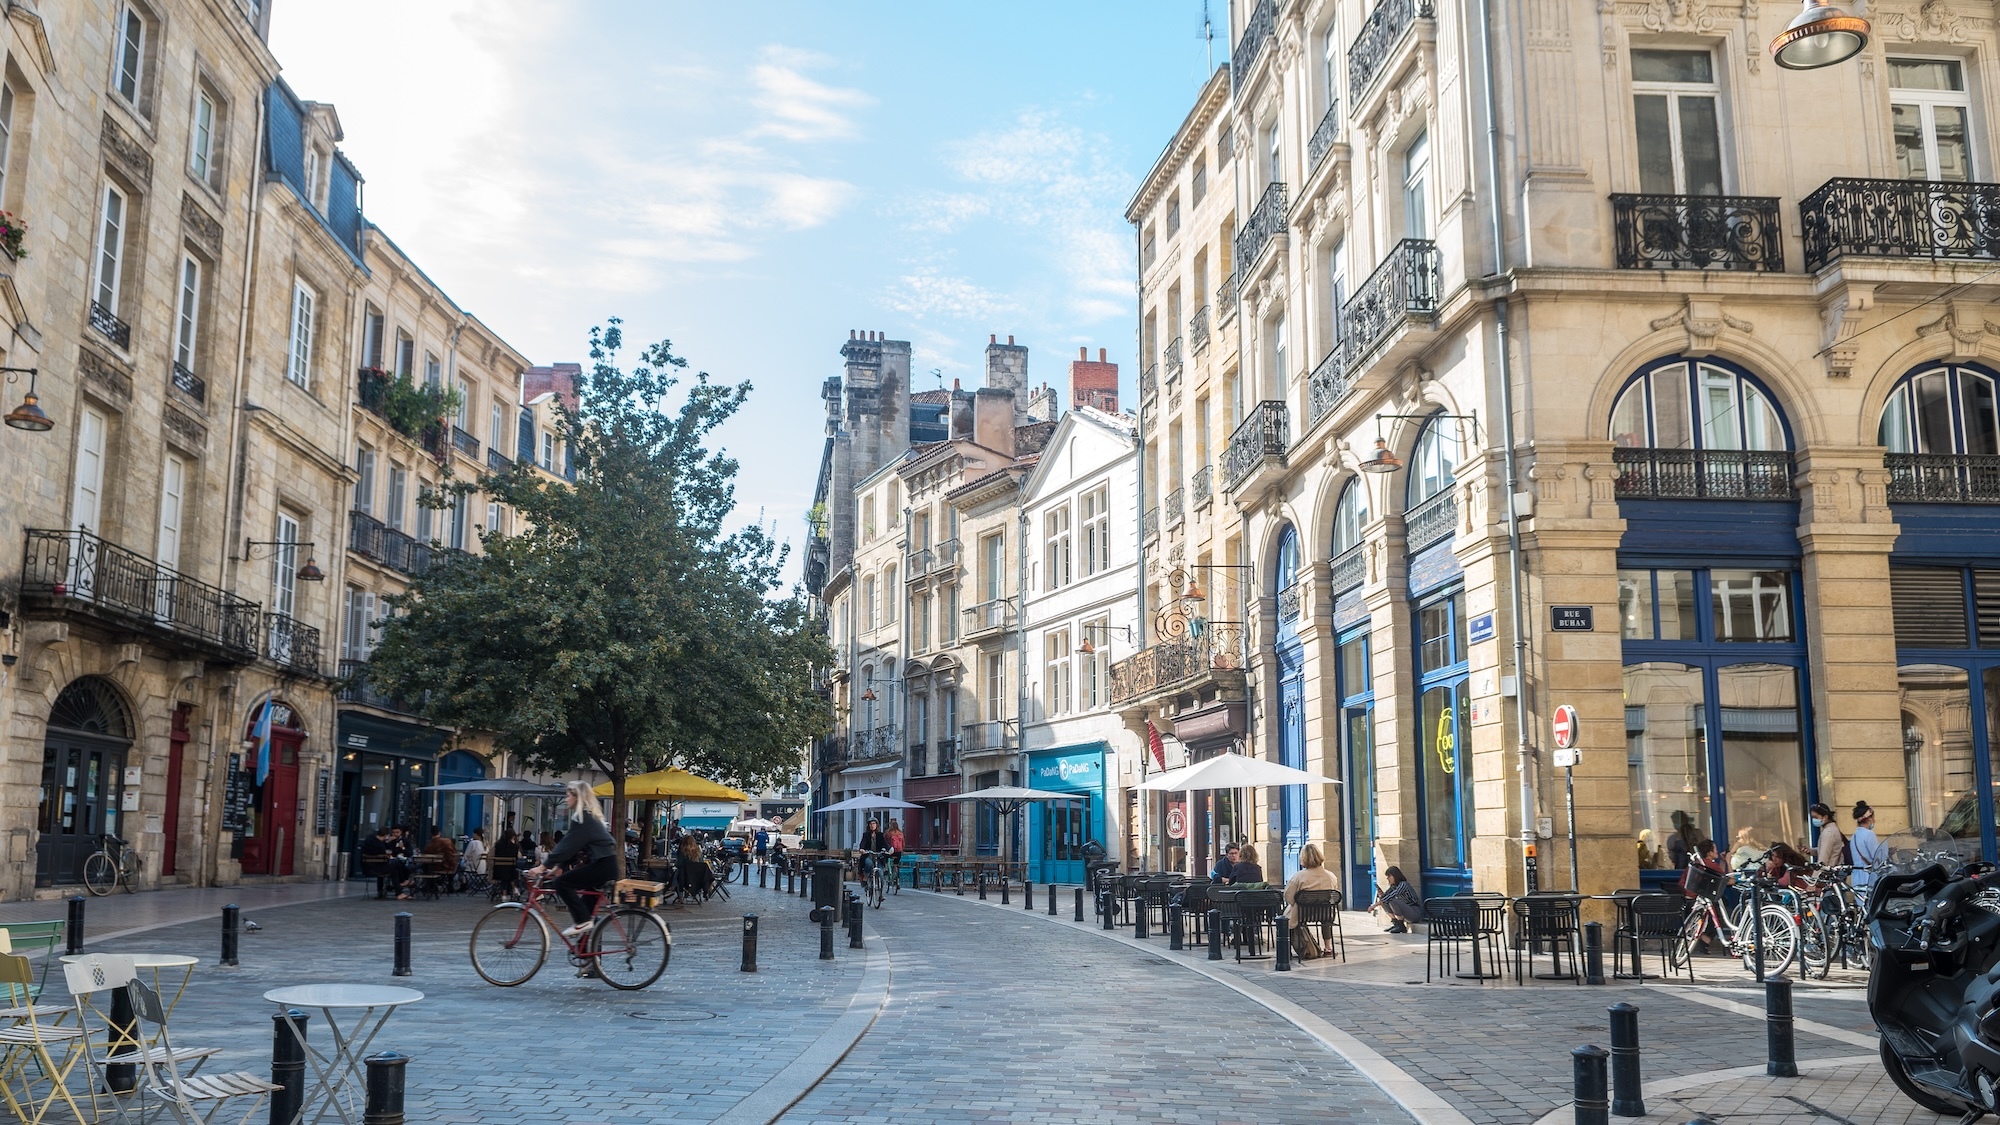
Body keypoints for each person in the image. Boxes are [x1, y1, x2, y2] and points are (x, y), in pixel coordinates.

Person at [526, 781, 620, 938]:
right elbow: (575, 846)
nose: (566, 798)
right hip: (605, 866)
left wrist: (542, 867)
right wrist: (558, 867)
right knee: (585, 910)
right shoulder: (588, 817)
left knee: (561, 883)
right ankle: (589, 956)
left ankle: (583, 923)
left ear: (577, 797)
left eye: (568, 795)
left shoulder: (583, 818)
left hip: (602, 867)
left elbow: (567, 845)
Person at [1282, 843, 1339, 925]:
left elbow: (1288, 897)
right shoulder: (1331, 876)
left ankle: (1298, 936)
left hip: (1303, 914)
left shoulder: (1299, 876)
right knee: (1326, 909)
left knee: (1288, 914)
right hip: (1325, 913)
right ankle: (1328, 938)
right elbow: (1333, 895)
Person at [1849, 800, 1887, 896]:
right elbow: (1877, 856)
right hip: (1868, 875)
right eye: (1873, 817)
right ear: (1869, 819)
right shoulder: (1869, 834)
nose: (1874, 820)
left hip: (1857, 876)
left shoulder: (1854, 835)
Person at [1372, 867, 1423, 933]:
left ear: (1395, 876)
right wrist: (1381, 895)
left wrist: (1374, 906)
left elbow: (1393, 895)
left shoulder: (1403, 885)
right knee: (1384, 901)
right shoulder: (1393, 886)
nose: (1387, 878)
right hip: (1406, 913)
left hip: (1414, 912)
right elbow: (1386, 897)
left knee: (1392, 900)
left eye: (1389, 876)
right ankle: (1396, 924)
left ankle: (1401, 926)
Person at [1810, 802, 1847, 868]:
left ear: (1825, 817)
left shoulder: (1828, 832)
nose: (1814, 820)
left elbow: (1823, 858)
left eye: (1816, 817)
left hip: (1828, 872)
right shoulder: (1832, 829)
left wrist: (1816, 874)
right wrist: (1811, 851)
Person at [491, 830, 520, 895]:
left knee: (505, 872)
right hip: (510, 871)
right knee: (510, 871)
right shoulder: (515, 847)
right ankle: (514, 887)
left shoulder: (498, 845)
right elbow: (516, 858)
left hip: (498, 870)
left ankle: (504, 894)